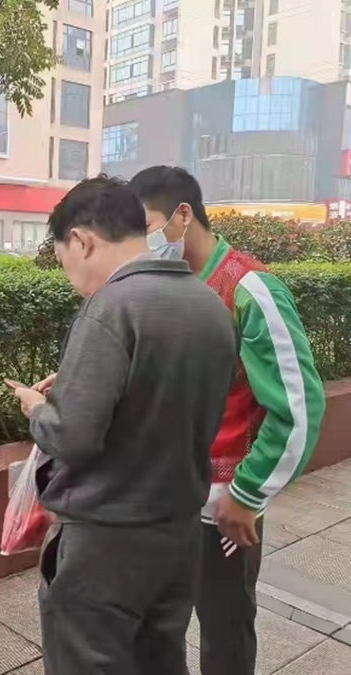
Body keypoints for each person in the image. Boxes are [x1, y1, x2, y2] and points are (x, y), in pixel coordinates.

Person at [7, 175, 239, 675]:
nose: (68, 275)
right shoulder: (209, 306)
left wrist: (37, 408)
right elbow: (170, 398)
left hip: (106, 542)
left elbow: (73, 437)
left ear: (81, 240)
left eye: (63, 259)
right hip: (177, 533)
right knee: (161, 660)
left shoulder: (109, 307)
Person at [129, 166, 326, 675]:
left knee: (224, 630)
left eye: (146, 227)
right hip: (160, 497)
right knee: (157, 627)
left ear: (183, 215)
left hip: (220, 507)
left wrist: (248, 494)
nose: (142, 243)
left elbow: (298, 407)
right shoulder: (159, 286)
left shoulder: (249, 290)